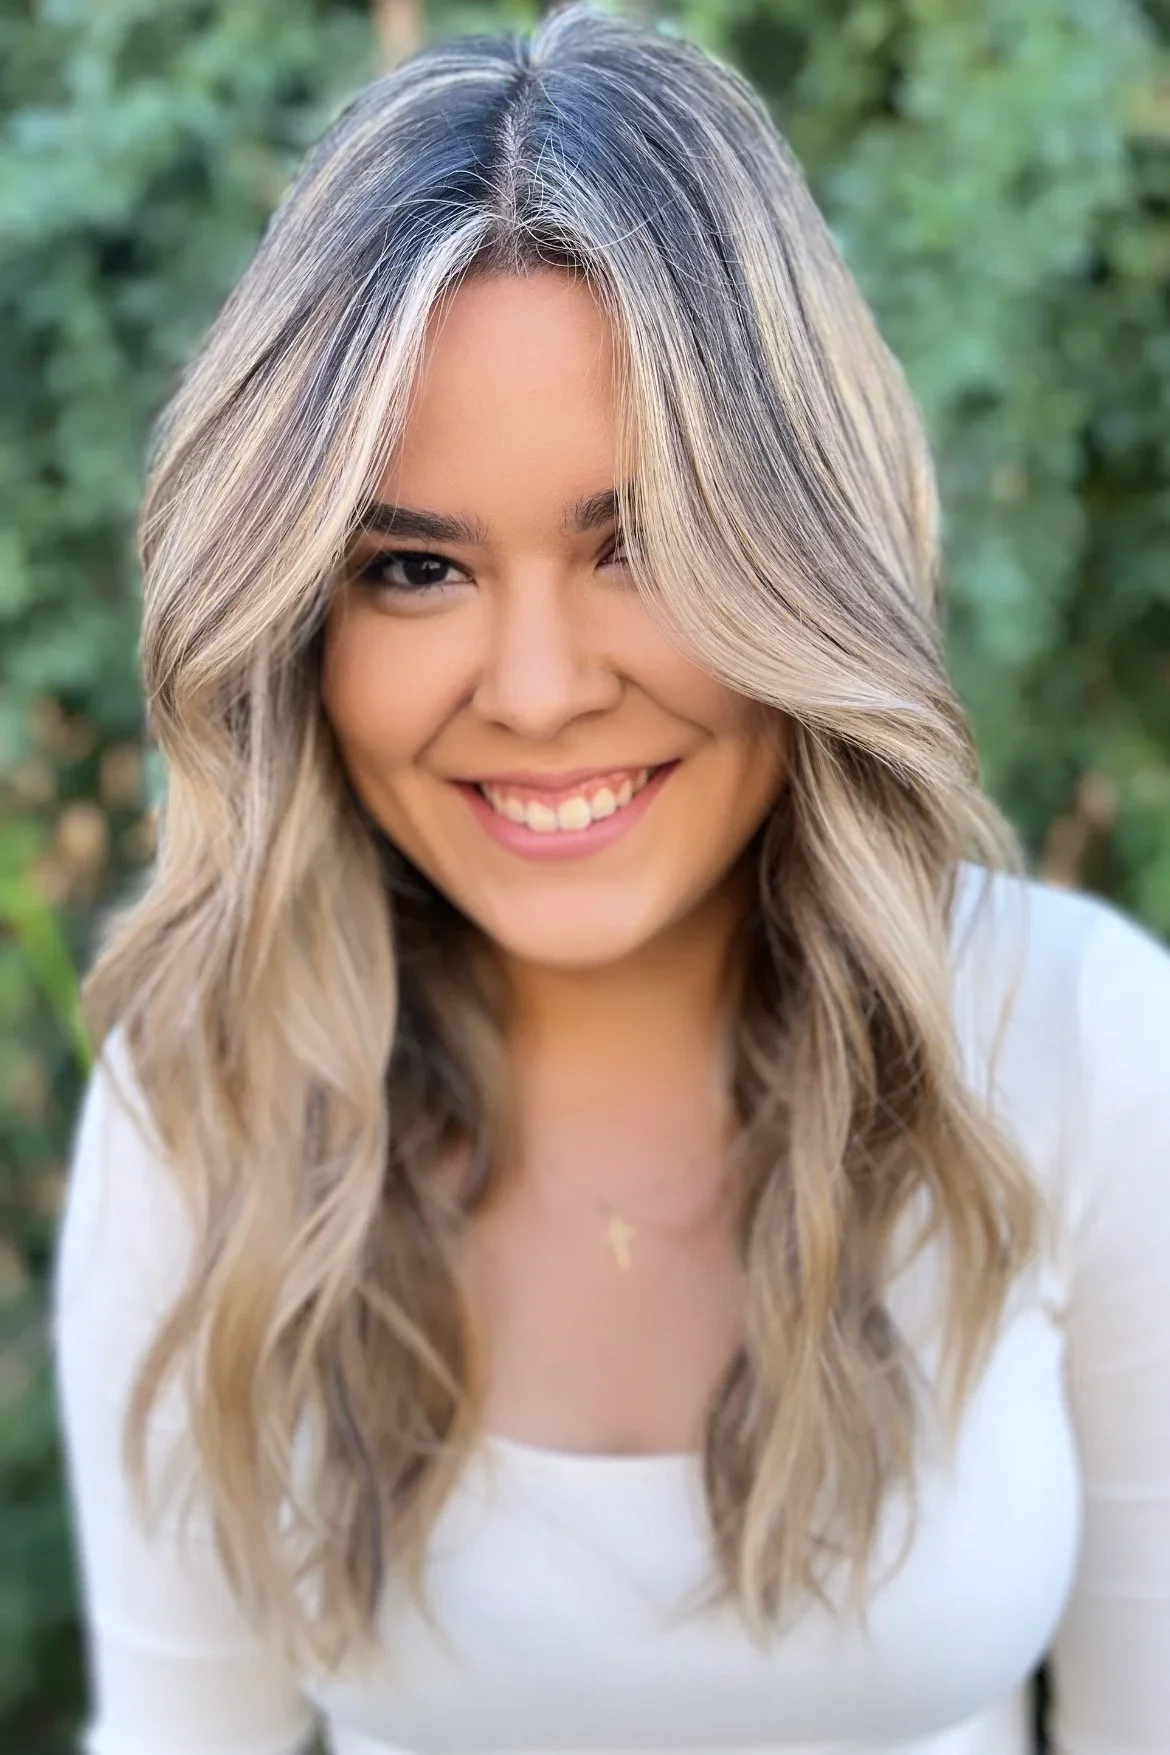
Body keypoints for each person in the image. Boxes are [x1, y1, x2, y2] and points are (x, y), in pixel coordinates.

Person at [51, 5, 1170, 1753]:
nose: (537, 689)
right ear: (296, 622)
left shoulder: (1077, 1041)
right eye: (413, 568)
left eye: (639, 542)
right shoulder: (207, 1098)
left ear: (807, 556)